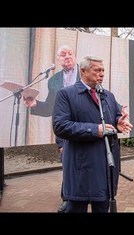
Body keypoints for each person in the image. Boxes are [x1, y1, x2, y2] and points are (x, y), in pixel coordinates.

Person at [52, 55, 133, 213]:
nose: (102, 74)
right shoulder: (66, 94)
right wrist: (95, 130)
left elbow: (115, 116)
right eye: (97, 70)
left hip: (105, 166)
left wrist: (118, 122)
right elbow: (60, 126)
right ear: (83, 71)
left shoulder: (108, 95)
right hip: (80, 166)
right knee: (76, 208)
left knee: (103, 207)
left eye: (103, 70)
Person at [24, 45, 80, 213]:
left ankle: (86, 196)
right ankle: (67, 199)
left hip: (85, 126)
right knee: (68, 165)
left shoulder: (84, 73)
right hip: (63, 130)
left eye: (70, 53)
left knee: (85, 164)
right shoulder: (53, 80)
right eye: (63, 55)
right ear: (58, 60)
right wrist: (35, 105)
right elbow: (50, 108)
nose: (67, 56)